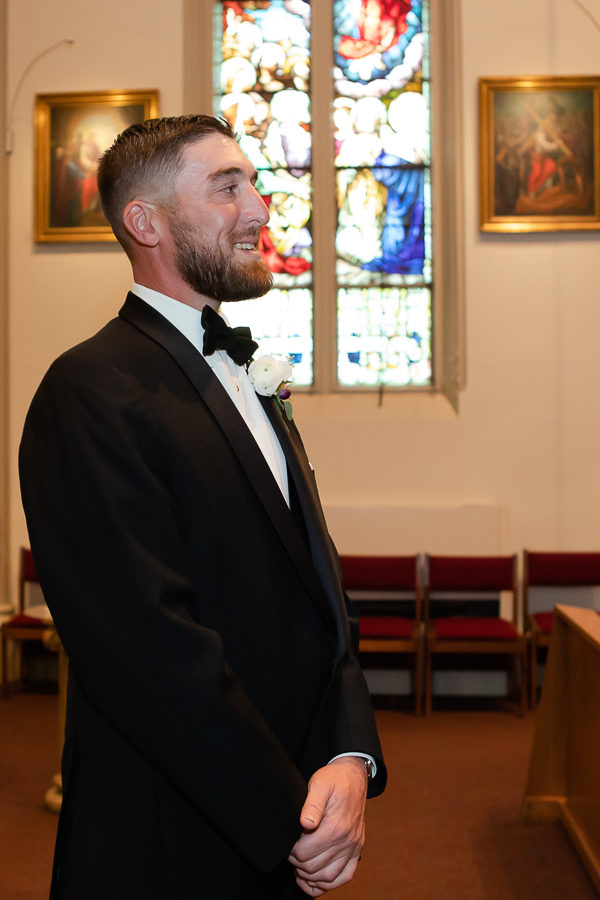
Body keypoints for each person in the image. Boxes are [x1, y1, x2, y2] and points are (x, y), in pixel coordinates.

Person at [19, 114, 386, 900]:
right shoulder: (88, 391)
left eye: (253, 183)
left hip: (295, 804)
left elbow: (318, 583)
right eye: (227, 188)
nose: (259, 208)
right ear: (144, 222)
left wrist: (351, 757)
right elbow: (146, 649)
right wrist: (293, 815)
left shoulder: (258, 371)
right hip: (171, 836)